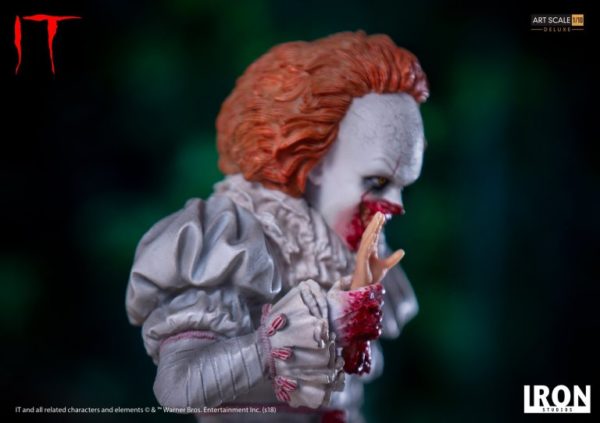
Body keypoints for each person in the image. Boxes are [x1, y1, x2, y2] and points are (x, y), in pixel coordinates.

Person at [126, 31, 429, 423]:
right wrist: (268, 347)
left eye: (402, 186)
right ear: (312, 159)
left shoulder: (361, 256)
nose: (396, 206)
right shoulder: (230, 243)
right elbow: (177, 386)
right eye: (377, 181)